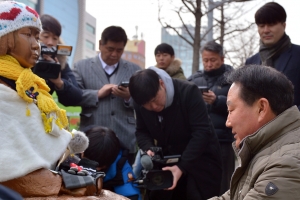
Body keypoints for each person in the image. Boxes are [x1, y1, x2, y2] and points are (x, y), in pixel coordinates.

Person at [0, 0, 71, 183]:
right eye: (27, 35)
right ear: (5, 37)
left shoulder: (27, 82)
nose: (36, 45)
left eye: (37, 37)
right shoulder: (11, 86)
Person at [129, 67, 222, 200]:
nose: (154, 107)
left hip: (200, 160)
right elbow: (142, 131)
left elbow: (201, 132)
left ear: (161, 84)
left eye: (155, 99)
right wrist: (148, 148)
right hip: (167, 161)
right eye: (147, 105)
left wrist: (182, 167)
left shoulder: (188, 92)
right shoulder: (139, 102)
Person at [209, 65, 300, 199]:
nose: (228, 122)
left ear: (261, 108)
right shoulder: (267, 148)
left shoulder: (287, 163)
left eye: (231, 110)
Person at [73, 26, 141, 164]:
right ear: (100, 44)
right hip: (92, 137)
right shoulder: (81, 67)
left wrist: (129, 96)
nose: (114, 54)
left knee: (122, 181)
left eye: (119, 50)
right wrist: (97, 94)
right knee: (91, 182)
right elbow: (74, 96)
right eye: (110, 49)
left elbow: (144, 102)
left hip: (125, 137)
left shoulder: (135, 70)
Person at [188, 41, 234, 195]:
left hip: (224, 141)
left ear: (222, 58)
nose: (208, 64)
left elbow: (241, 106)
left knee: (224, 182)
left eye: (212, 60)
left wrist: (217, 101)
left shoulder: (233, 80)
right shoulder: (194, 79)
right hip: (199, 140)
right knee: (200, 181)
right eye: (205, 60)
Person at [246, 2, 300, 109]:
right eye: (261, 26)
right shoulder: (251, 62)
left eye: (271, 25)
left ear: (284, 25)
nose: (266, 30)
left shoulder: (298, 55)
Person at [82, 125, 142, 200]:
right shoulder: (69, 153)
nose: (93, 169)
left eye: (98, 167)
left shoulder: (120, 165)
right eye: (87, 162)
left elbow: (131, 195)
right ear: (82, 152)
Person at [35, 14, 82, 106]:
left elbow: (77, 97)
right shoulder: (22, 55)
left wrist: (59, 82)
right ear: (36, 35)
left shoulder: (60, 62)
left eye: (55, 38)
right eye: (46, 36)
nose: (50, 42)